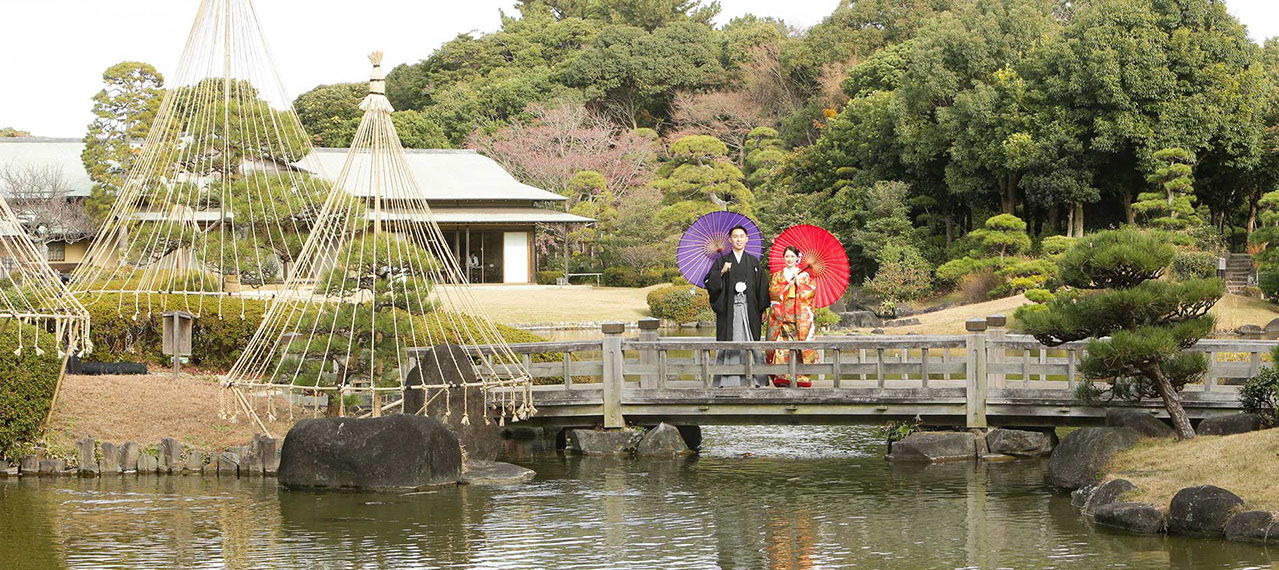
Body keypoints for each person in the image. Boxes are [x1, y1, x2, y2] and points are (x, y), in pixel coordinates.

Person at [705, 225, 769, 387]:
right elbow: (708, 283)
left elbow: (762, 286)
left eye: (742, 236)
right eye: (735, 236)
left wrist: (763, 308)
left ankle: (756, 379)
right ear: (730, 240)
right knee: (729, 340)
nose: (739, 239)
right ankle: (726, 380)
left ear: (747, 239)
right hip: (730, 309)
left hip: (750, 309)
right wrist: (720, 272)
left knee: (752, 340)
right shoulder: (721, 261)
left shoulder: (754, 262)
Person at [766, 246, 818, 387]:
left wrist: (799, 284)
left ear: (797, 258)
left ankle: (801, 377)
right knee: (781, 345)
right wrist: (786, 285)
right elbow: (772, 292)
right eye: (787, 256)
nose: (789, 259)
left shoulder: (804, 275)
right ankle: (782, 375)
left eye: (792, 257)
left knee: (800, 345)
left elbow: (811, 293)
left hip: (799, 314)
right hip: (781, 314)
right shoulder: (778, 275)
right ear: (784, 258)